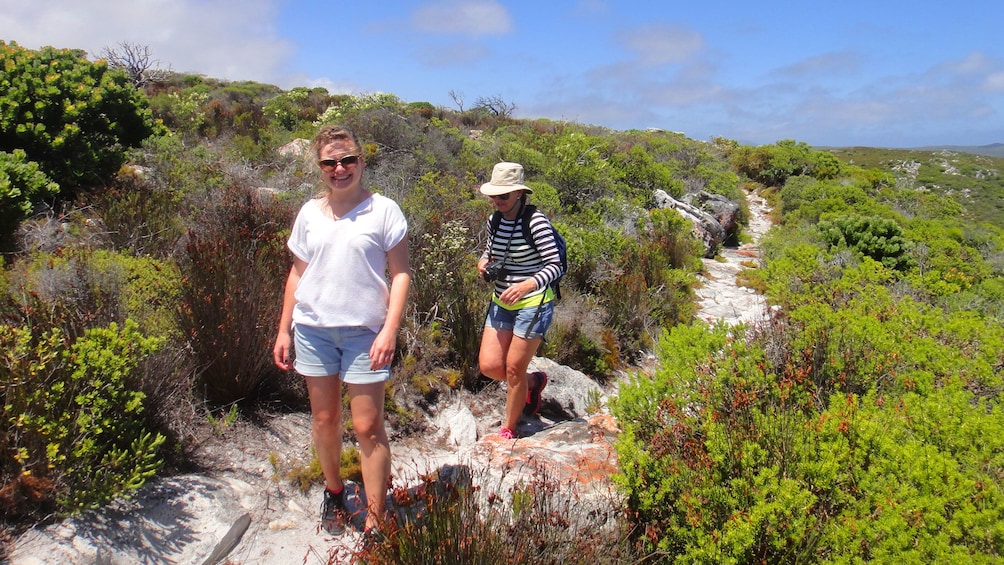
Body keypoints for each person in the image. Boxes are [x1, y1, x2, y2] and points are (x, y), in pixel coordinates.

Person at [273, 125, 410, 537]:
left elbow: (401, 274)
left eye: (348, 160)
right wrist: (283, 330)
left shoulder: (384, 210)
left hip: (364, 333)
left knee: (368, 426)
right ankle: (334, 493)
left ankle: (376, 514)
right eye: (330, 162)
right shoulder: (309, 213)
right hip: (313, 329)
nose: (340, 169)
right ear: (320, 167)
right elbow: (297, 274)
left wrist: (389, 330)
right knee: (325, 420)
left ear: (361, 162)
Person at [477, 162, 563, 440]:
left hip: (533, 303)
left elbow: (555, 265)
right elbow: (490, 251)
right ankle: (533, 383)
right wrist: (483, 262)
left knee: (514, 368)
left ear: (518, 194)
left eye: (504, 196)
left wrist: (527, 285)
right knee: (490, 366)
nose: (498, 201)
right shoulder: (495, 220)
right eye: (495, 196)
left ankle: (510, 428)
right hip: (501, 300)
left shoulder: (535, 221)